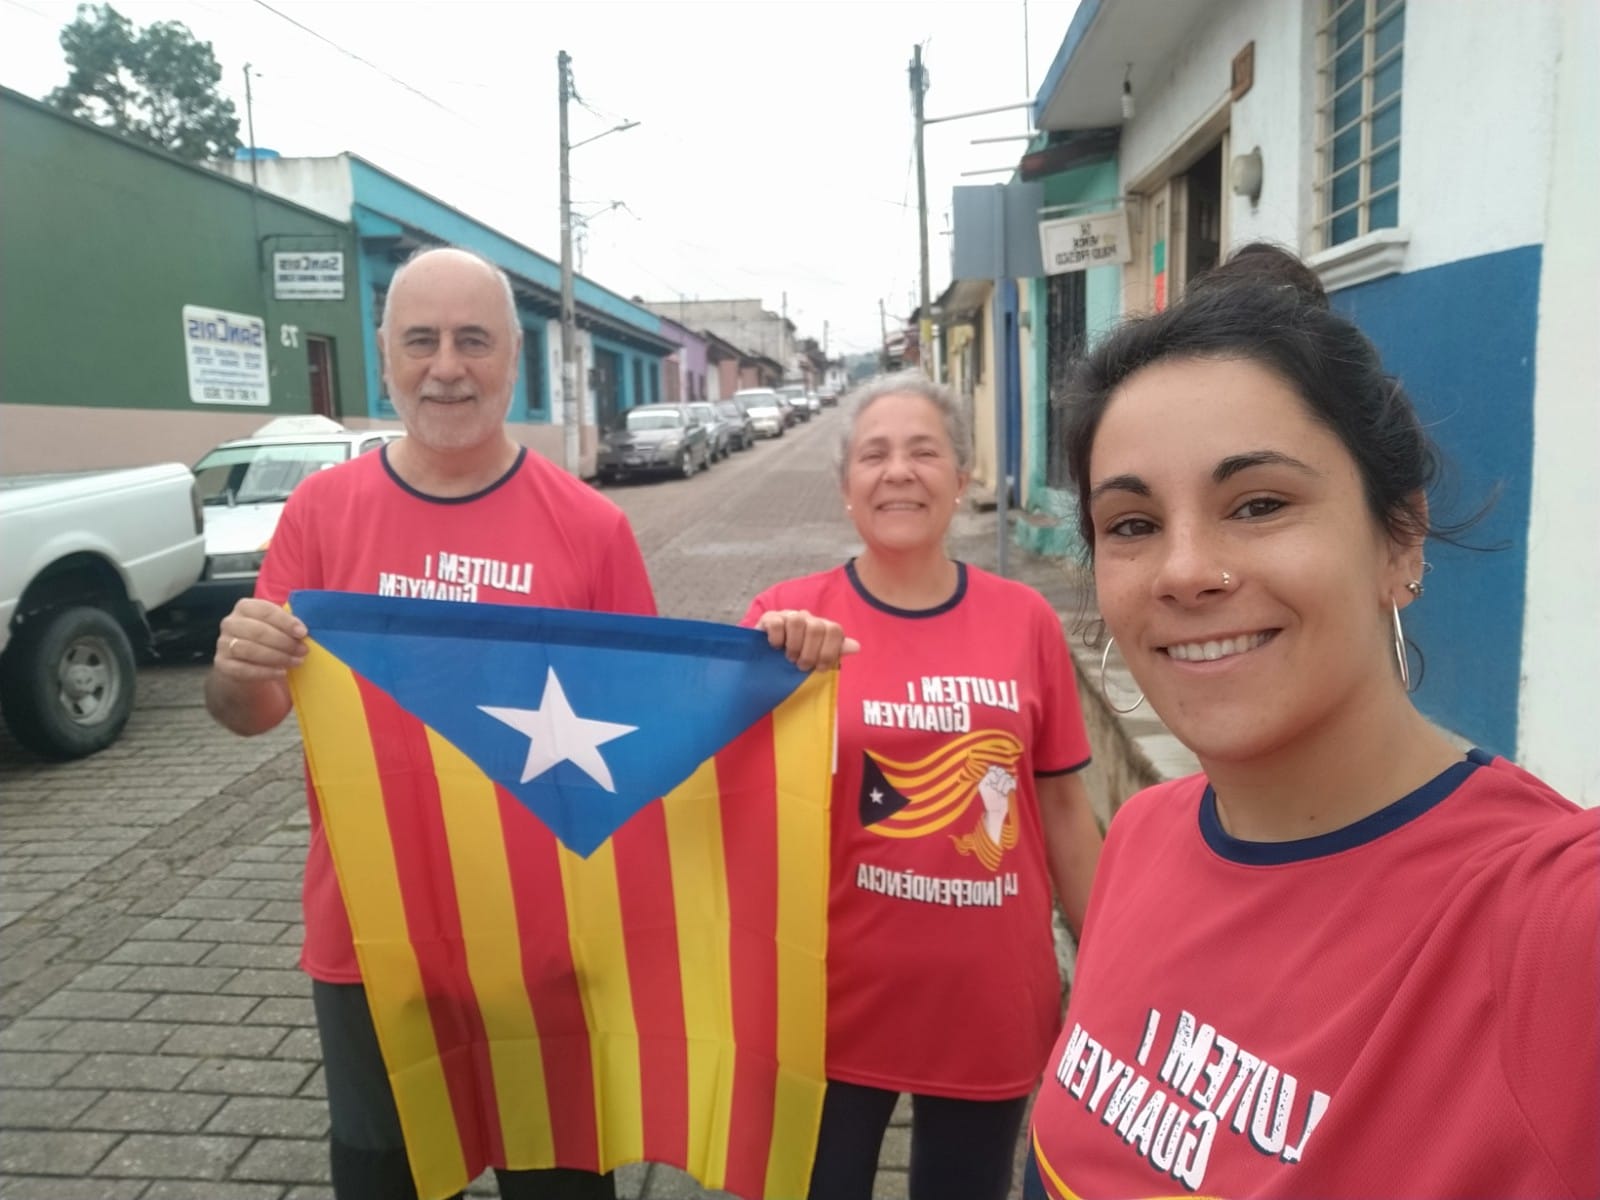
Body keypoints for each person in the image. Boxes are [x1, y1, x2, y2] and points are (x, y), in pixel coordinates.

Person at [1029, 244, 1599, 1199]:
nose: (1184, 571)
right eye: (1132, 524)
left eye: (1258, 504)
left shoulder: (1545, 928)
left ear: (1399, 539)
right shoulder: (1139, 838)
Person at [205, 246, 655, 1200]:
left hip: (543, 946)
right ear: (385, 357)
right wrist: (236, 668)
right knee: (384, 1179)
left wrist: (781, 667)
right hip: (374, 936)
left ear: (514, 360)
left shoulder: (592, 529)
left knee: (559, 1183)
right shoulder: (322, 513)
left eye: (473, 340)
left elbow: (646, 746)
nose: (446, 366)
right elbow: (251, 713)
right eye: (421, 340)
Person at [744, 371, 1105, 1200]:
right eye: (874, 455)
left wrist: (1106, 962)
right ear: (846, 486)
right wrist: (759, 672)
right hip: (829, 1004)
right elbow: (723, 795)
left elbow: (1062, 809)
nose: (898, 471)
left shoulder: (1025, 619)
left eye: (924, 452)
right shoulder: (788, 621)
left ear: (962, 476)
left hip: (988, 1004)